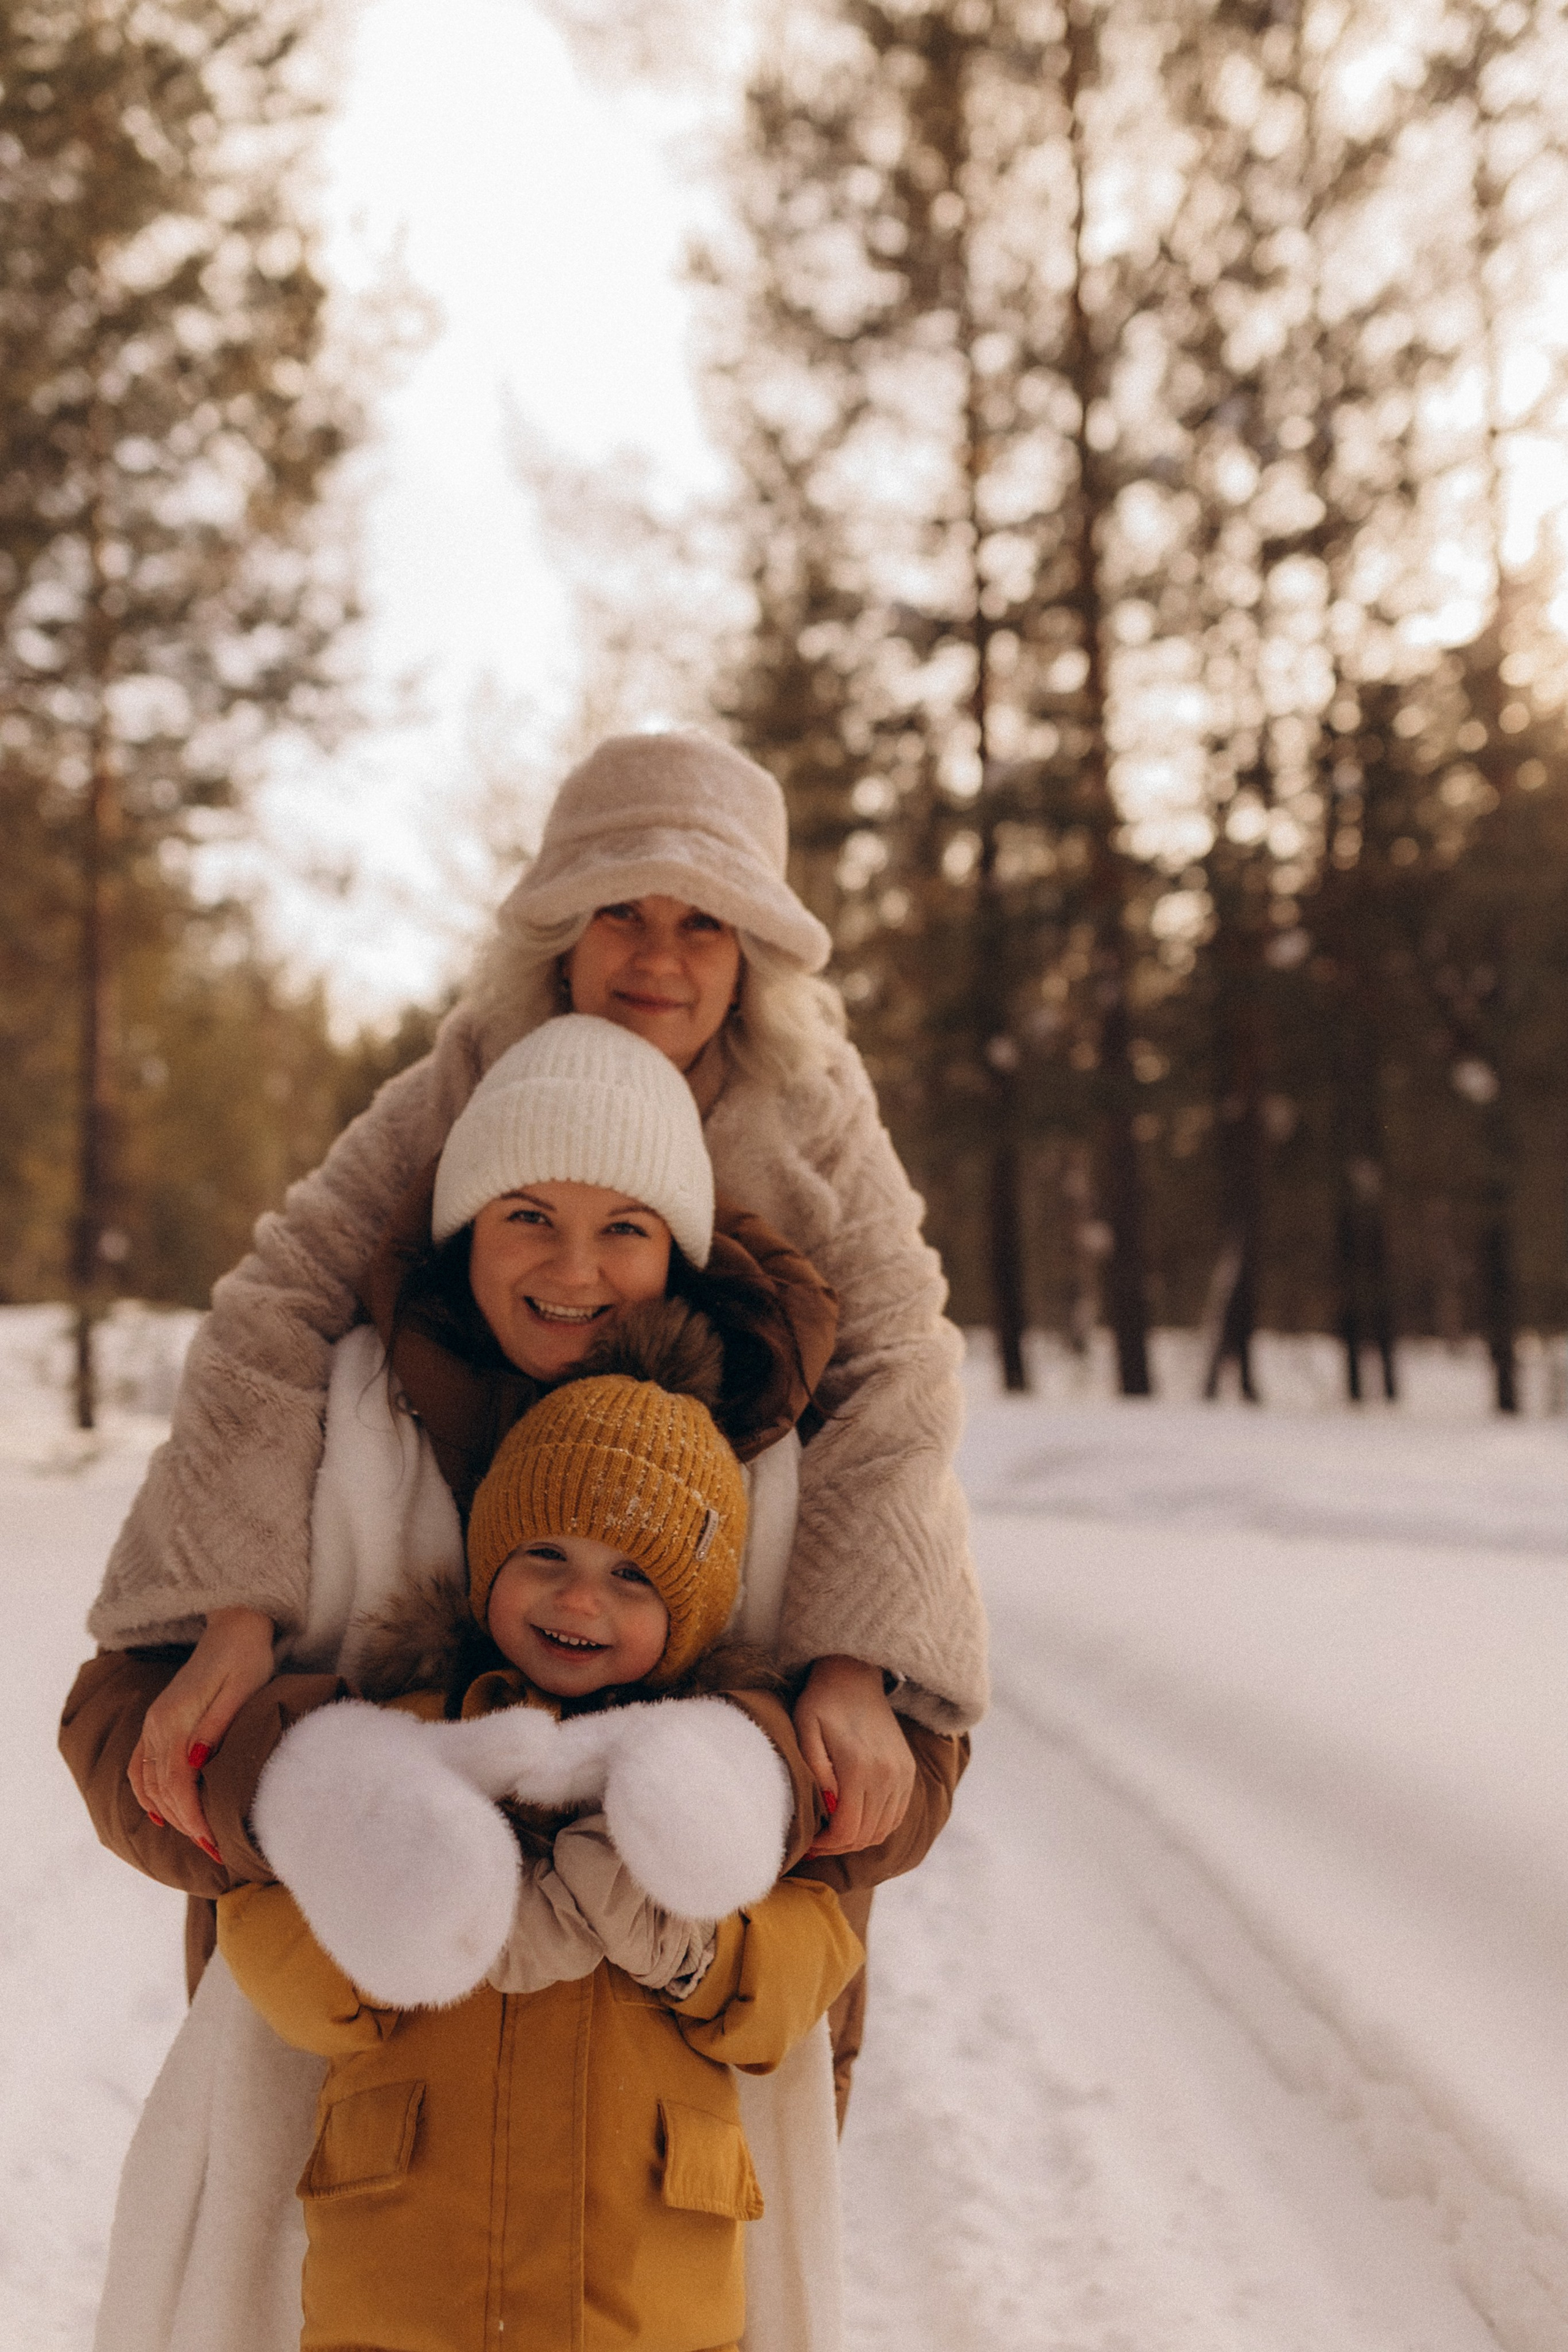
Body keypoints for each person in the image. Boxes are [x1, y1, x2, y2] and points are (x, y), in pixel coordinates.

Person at [65, 1011, 964, 2352]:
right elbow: (125, 1732)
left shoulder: (781, 1448)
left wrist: (759, 1787)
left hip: (667, 2164)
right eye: (524, 1217)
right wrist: (314, 1786)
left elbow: (884, 1800)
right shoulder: (334, 1412)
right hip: (359, 2135)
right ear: (457, 1228)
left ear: (680, 1248)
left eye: (626, 1228)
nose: (573, 1268)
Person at [81, 731, 987, 1910]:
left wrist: (852, 1660)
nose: (659, 957)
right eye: (622, 911)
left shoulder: (811, 1115)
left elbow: (903, 1364)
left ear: (751, 955)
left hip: (706, 1594)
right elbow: (278, 1301)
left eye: (703, 922)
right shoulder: (469, 1079)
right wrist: (240, 1610)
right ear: (561, 933)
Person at [218, 1329, 865, 2352]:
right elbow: (262, 1936)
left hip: (650, 2294)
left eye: (632, 1577)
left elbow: (816, 1956)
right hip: (403, 2289)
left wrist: (693, 1949)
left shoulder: (727, 1766)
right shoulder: (414, 1735)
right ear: (489, 1564)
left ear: (689, 1610)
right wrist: (404, 1931)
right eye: (547, 1557)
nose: (578, 1601)